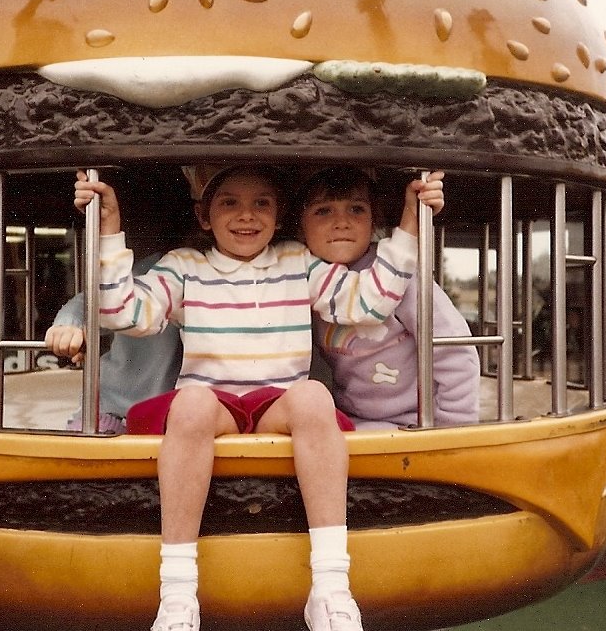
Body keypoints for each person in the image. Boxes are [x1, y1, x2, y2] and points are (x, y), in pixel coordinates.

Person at [74, 164, 444, 631]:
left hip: (277, 404)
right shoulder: (184, 265)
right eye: (229, 202)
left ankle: (331, 585)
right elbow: (124, 314)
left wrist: (410, 222)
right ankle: (178, 593)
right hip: (213, 406)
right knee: (189, 402)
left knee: (313, 396)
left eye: (261, 204)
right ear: (204, 216)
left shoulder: (297, 261)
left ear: (278, 215)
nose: (246, 216)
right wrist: (108, 231)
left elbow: (367, 303)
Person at [296, 167, 479, 429]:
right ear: (300, 227)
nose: (342, 222)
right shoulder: (303, 277)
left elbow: (454, 352)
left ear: (373, 222)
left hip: (417, 420)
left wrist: (456, 428)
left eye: (356, 209)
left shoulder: (401, 276)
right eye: (323, 210)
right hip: (351, 419)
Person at [43, 262, 182, 434]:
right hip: (118, 408)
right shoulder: (156, 267)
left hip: (188, 413)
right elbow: (92, 300)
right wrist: (70, 326)